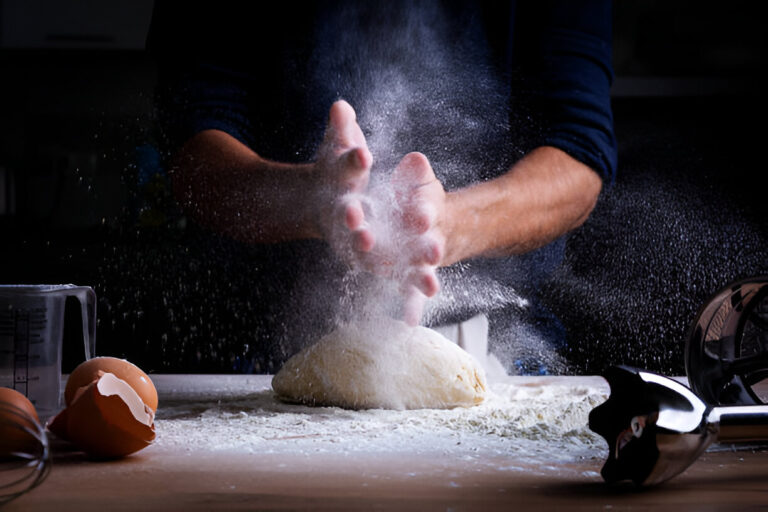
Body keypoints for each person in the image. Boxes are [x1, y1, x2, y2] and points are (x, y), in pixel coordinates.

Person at [147, 0, 617, 373]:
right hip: (256, 354)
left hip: (493, 352)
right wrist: (311, 201)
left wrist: (450, 225)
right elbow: (192, 151)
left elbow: (578, 154)